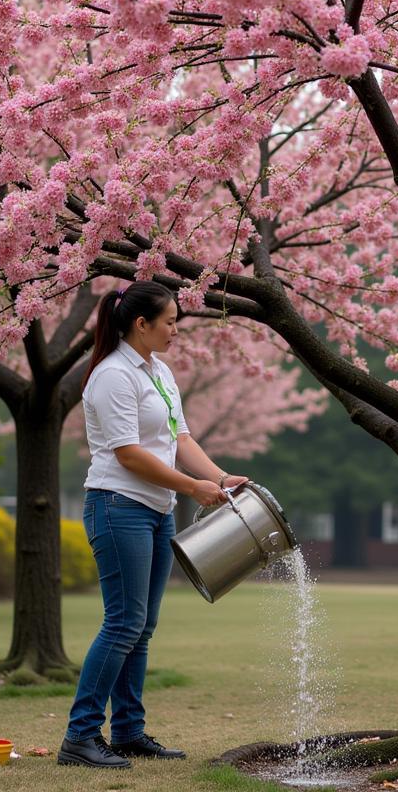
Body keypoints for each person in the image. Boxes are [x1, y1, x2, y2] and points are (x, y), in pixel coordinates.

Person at [58, 281, 248, 769]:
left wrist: (219, 477)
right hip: (118, 506)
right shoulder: (111, 375)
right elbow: (128, 455)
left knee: (142, 627)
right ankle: (80, 736)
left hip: (156, 511)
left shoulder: (159, 373)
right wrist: (192, 488)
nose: (176, 331)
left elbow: (180, 438)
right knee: (123, 623)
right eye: (170, 323)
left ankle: (127, 732)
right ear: (141, 324)